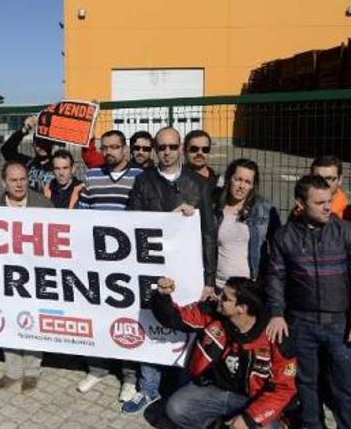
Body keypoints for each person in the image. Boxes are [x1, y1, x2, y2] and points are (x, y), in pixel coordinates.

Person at [123, 126, 218, 415]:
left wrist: (209, 279)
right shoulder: (143, 182)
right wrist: (167, 218)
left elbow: (209, 234)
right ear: (155, 148)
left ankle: (179, 392)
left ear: (180, 149)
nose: (167, 152)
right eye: (162, 147)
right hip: (153, 269)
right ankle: (149, 388)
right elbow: (132, 223)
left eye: (173, 147)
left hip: (187, 272)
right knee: (150, 326)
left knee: (183, 326)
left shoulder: (196, 183)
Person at [264, 174, 351, 429]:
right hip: (300, 323)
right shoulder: (284, 236)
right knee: (305, 385)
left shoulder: (346, 231)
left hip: (339, 324)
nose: (327, 207)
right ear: (300, 203)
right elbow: (275, 277)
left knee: (345, 387)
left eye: (329, 201)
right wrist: (277, 313)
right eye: (319, 202)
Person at [154, 276, 297, 429]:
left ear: (242, 308)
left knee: (266, 427)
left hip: (254, 398)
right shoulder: (212, 313)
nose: (218, 297)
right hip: (215, 390)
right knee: (177, 408)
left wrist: (249, 418)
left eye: (225, 298)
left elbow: (284, 388)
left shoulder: (275, 334)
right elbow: (175, 318)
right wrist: (162, 296)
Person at [75, 130, 144, 402]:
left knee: (126, 318)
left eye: (115, 147)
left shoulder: (140, 177)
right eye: (106, 147)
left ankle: (129, 377)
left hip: (127, 264)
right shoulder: (92, 176)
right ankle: (97, 368)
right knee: (95, 315)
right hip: (96, 261)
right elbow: (82, 215)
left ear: (125, 149)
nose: (110, 152)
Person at [0, 160, 54, 393]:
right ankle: (12, 371)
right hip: (6, 276)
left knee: (32, 321)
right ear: (4, 182)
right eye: (13, 180)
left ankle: (32, 372)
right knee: (7, 321)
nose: (19, 185)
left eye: (23, 179)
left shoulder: (43, 205)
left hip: (35, 276)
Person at [215, 158, 280, 284]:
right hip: (218, 284)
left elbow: (278, 247)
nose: (241, 186)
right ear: (229, 179)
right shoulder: (214, 208)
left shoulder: (265, 210)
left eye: (247, 182)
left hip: (249, 287)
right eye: (238, 179)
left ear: (252, 186)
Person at [0, 115, 54, 192]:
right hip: (28, 202)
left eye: (45, 143)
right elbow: (6, 150)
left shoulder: (59, 165)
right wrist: (24, 130)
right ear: (33, 145)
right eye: (38, 143)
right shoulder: (27, 163)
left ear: (51, 144)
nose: (42, 147)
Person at [310, 155, 348, 219]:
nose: (323, 183)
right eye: (318, 178)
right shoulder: (302, 206)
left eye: (329, 178)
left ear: (340, 180)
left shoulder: (346, 213)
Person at [184, 129, 219, 199]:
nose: (200, 153)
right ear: (184, 151)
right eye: (194, 149)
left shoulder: (218, 181)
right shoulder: (177, 179)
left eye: (205, 149)